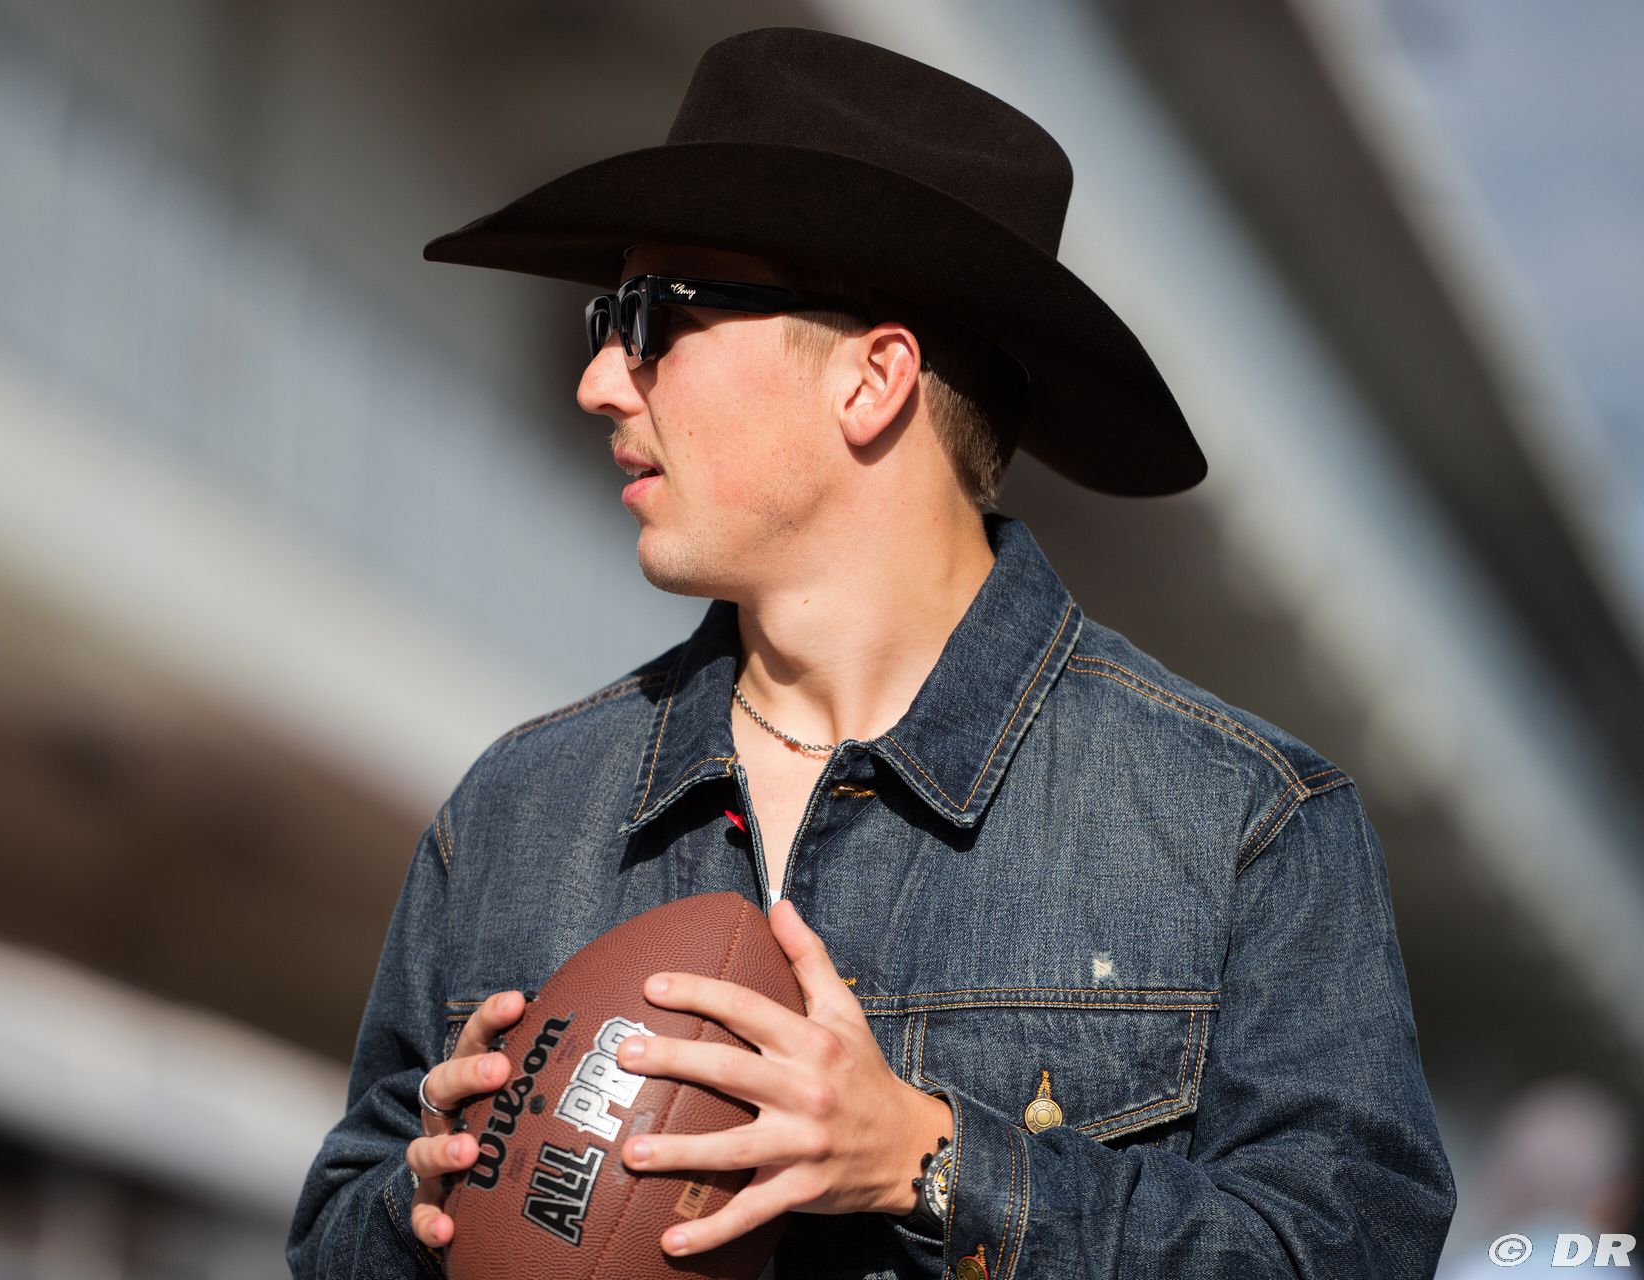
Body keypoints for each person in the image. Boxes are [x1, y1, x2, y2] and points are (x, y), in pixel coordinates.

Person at [287, 26, 1456, 1280]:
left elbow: (1343, 1252)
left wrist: (935, 1161)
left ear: (873, 378)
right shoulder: (517, 814)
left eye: (655, 317)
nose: (601, 382)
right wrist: (422, 1207)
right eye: (602, 319)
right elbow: (336, 1230)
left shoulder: (1241, 826)